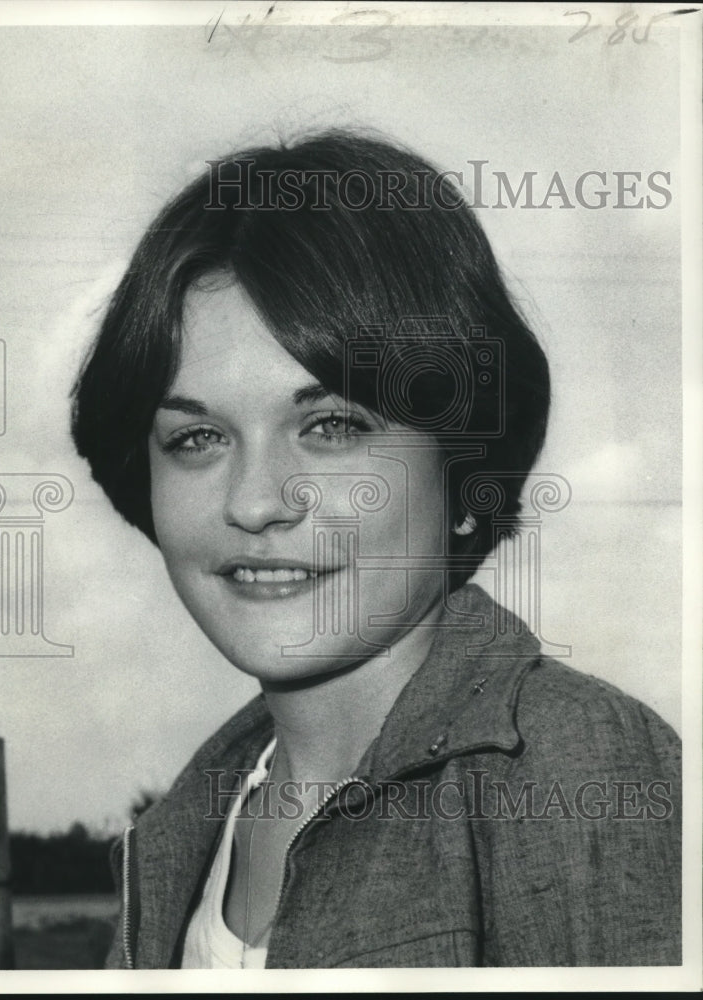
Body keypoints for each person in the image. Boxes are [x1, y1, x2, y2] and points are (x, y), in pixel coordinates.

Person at [70, 129, 681, 969]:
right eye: (197, 437)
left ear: (463, 473)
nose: (253, 502)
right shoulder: (179, 829)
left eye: (331, 427)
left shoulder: (576, 766)